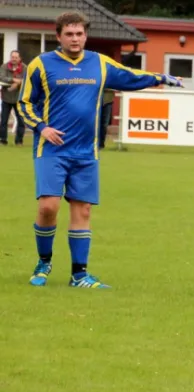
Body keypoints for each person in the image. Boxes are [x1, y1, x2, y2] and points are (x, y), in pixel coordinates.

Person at [18, 11, 182, 288]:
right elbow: (24, 103)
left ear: (86, 35)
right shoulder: (41, 64)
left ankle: (79, 275)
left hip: (85, 152)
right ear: (58, 36)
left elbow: (130, 76)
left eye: (79, 34)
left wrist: (160, 77)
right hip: (52, 150)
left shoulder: (98, 63)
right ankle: (44, 262)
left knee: (82, 211)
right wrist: (42, 127)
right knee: (48, 206)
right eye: (69, 34)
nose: (75, 39)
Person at [0, 50, 26, 146]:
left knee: (21, 121)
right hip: (6, 97)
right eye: (12, 57)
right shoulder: (4, 66)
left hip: (19, 98)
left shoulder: (24, 68)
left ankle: (19, 141)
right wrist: (14, 80)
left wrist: (16, 84)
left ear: (19, 58)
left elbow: (27, 79)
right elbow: (1, 77)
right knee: (3, 120)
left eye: (16, 57)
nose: (14, 59)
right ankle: (3, 140)